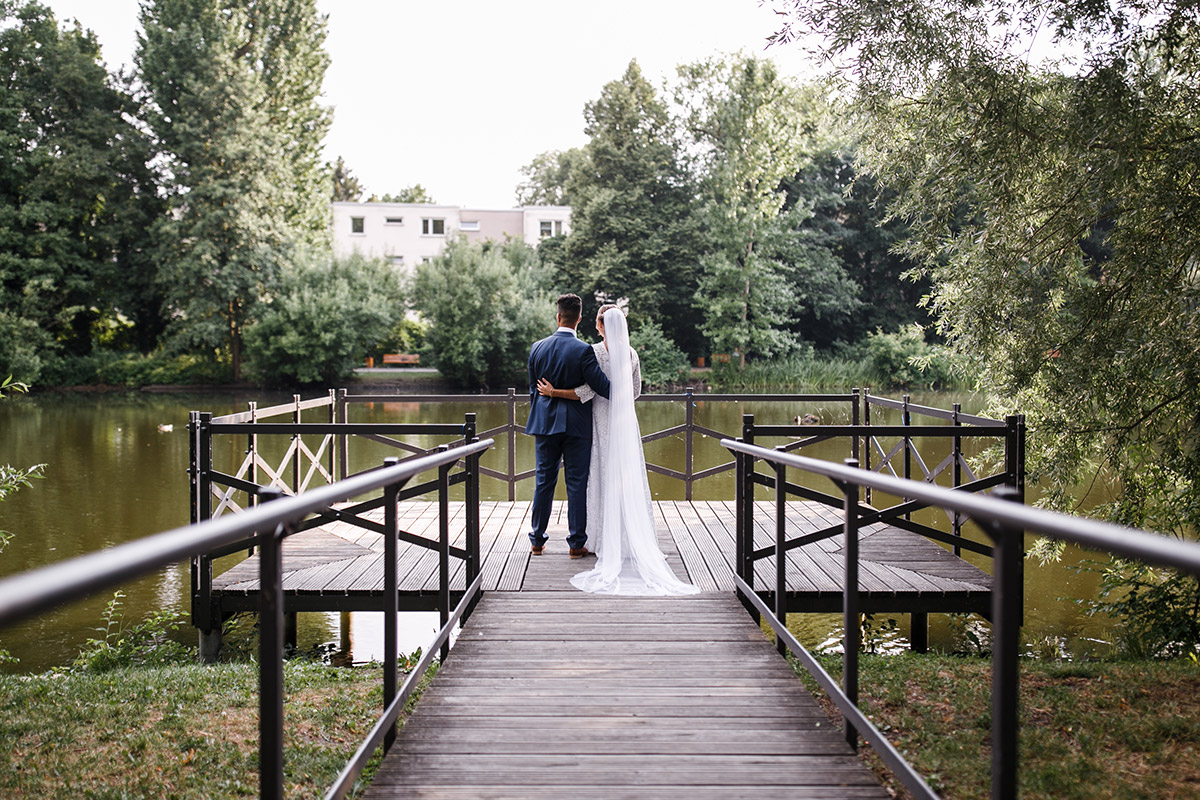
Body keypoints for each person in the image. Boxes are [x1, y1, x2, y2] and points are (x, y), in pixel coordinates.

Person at [537, 305, 699, 596]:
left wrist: (553, 393)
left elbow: (587, 390)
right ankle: (629, 538)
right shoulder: (632, 354)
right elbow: (635, 392)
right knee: (627, 474)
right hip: (625, 420)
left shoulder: (594, 352)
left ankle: (597, 539)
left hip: (599, 418)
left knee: (598, 475)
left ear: (600, 325)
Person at [525, 294, 611, 558]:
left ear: (558, 317)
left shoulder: (537, 348)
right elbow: (605, 388)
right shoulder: (584, 350)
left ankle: (537, 540)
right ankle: (576, 545)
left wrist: (545, 407)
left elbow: (532, 391)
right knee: (576, 484)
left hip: (544, 424)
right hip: (576, 427)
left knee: (543, 482)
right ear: (580, 319)